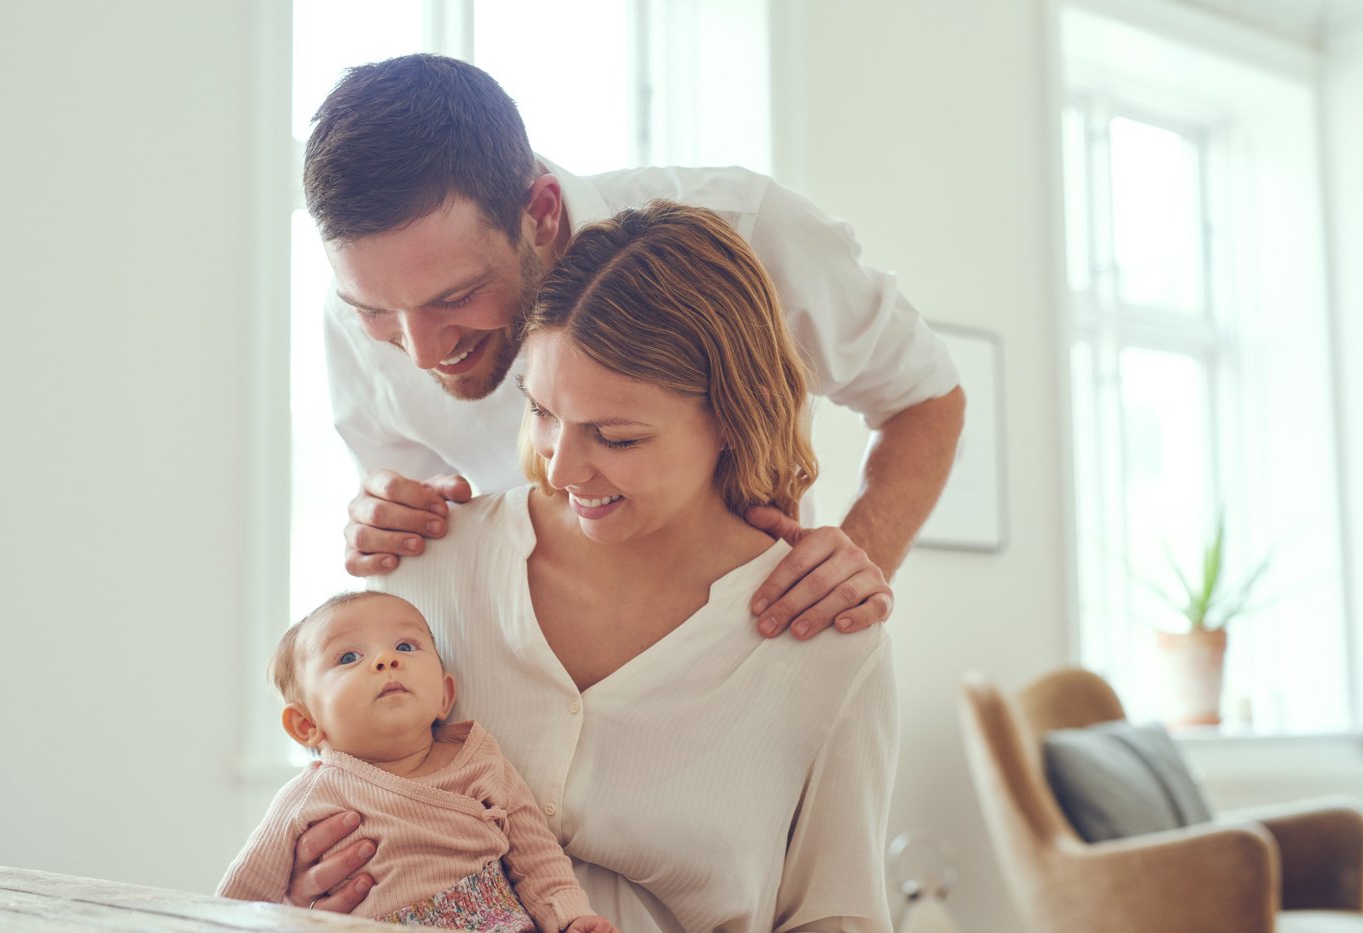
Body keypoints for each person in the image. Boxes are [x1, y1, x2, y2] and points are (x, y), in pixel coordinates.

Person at [290, 203, 898, 931]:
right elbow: (330, 804)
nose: (563, 467)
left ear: (733, 419)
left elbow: (839, 916)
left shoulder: (829, 645)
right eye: (543, 412)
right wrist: (304, 888)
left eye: (616, 435)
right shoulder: (421, 570)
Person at [308, 54, 965, 642]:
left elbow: (925, 397)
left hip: (742, 650)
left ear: (539, 211)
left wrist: (857, 559)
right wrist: (386, 515)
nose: (421, 353)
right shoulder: (356, 326)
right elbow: (423, 523)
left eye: (455, 296)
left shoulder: (752, 233)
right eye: (374, 309)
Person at [217, 590, 617, 933]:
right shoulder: (311, 795)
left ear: (444, 696)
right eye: (349, 656)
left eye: (405, 647)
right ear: (306, 723)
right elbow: (239, 897)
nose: (386, 660)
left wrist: (570, 917)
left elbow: (536, 857)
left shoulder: (480, 761)